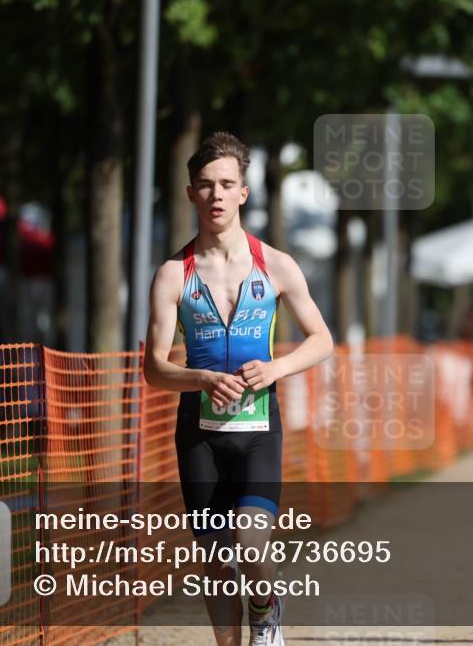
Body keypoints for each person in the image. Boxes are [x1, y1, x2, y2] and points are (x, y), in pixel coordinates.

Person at [144, 132, 334, 646]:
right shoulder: (172, 275)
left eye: (227, 184)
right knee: (215, 559)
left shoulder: (276, 265)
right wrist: (201, 378)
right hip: (199, 434)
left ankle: (266, 610)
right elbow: (154, 368)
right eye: (206, 185)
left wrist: (276, 369)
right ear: (191, 193)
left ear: (244, 193)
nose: (217, 195)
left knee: (251, 545)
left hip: (257, 429)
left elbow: (322, 339)